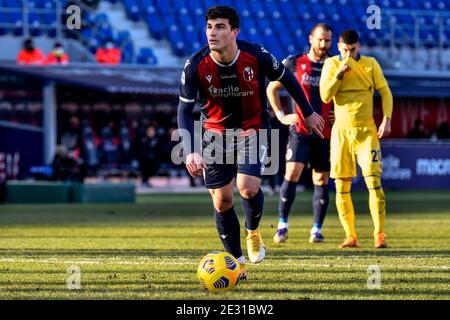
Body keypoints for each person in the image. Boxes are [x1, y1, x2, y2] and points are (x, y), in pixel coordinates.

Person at [177, 6, 324, 279]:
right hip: (215, 134)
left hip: (252, 129)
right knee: (222, 202)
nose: (212, 32)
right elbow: (184, 111)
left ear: (234, 31)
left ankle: (253, 232)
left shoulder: (256, 55)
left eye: (220, 27)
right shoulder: (195, 65)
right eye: (209, 27)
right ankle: (237, 263)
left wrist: (308, 111)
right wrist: (189, 152)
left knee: (247, 187)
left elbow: (288, 79)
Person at [320, 30, 393, 248]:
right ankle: (350, 235)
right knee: (342, 186)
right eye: (344, 50)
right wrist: (340, 74)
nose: (348, 54)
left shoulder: (371, 64)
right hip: (341, 133)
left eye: (352, 50)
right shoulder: (332, 64)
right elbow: (325, 96)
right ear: (339, 47)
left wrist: (386, 119)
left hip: (366, 132)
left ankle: (379, 234)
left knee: (374, 183)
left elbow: (386, 92)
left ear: (358, 47)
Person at [267, 23, 334, 244]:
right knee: (292, 173)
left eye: (328, 40)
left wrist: (340, 114)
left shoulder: (336, 64)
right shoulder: (294, 62)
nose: (324, 44)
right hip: (301, 132)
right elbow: (271, 88)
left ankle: (316, 229)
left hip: (326, 133)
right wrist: (281, 115)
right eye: (320, 39)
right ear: (310, 39)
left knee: (321, 178)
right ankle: (282, 225)